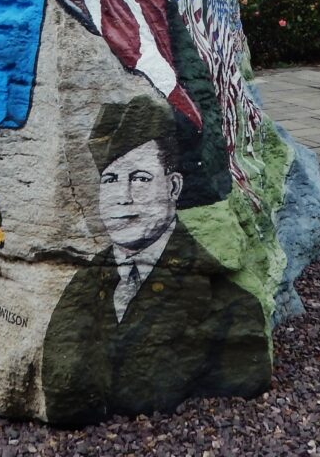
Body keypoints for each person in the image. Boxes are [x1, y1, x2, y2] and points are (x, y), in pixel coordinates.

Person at [41, 95, 271, 425]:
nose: (123, 197)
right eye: (110, 180)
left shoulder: (231, 305)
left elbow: (242, 372)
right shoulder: (84, 282)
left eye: (140, 178)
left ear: (173, 186)